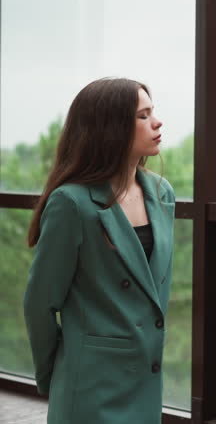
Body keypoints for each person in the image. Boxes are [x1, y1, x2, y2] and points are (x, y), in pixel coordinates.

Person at [24, 77, 175, 424]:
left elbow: (152, 289)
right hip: (90, 387)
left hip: (146, 379)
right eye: (142, 115)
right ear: (110, 128)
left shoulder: (161, 192)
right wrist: (56, 373)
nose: (157, 122)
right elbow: (39, 302)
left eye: (153, 112)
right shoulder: (72, 203)